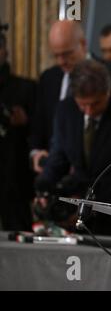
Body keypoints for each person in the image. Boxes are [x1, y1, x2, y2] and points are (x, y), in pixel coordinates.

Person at [35, 60, 111, 235]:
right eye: (83, 105)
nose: (89, 111)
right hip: (83, 215)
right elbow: (58, 159)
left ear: (108, 92)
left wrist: (90, 206)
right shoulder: (66, 110)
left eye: (96, 103)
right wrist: (43, 188)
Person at [30, 20, 111, 174]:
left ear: (83, 44)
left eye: (66, 54)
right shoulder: (49, 78)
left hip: (103, 178)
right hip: (55, 175)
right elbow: (39, 125)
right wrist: (36, 153)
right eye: (56, 55)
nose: (61, 61)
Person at [0, 29, 36, 231]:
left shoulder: (26, 88)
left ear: (5, 50)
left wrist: (25, 122)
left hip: (15, 181)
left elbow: (42, 135)